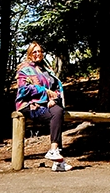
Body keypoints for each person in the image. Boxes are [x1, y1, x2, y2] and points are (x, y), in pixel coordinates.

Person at [15, 42, 72, 171]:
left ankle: (55, 155)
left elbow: (56, 88)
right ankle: (57, 157)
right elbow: (24, 89)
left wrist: (53, 99)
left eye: (40, 51)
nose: (38, 54)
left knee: (58, 111)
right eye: (34, 52)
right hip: (29, 105)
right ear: (29, 54)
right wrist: (45, 94)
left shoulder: (47, 70)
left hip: (48, 104)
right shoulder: (24, 70)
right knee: (56, 115)